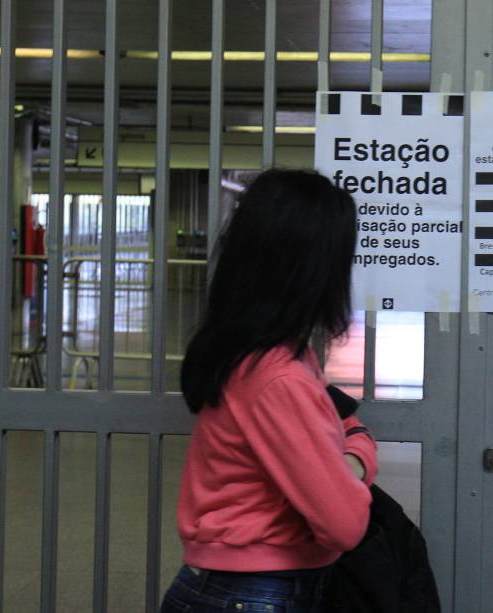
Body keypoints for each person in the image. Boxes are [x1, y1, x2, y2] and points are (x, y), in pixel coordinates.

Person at [160, 169, 378, 613]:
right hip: (253, 593)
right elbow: (344, 522)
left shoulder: (253, 350)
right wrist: (356, 457)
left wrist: (348, 448)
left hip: (236, 588)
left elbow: (343, 422)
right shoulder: (278, 377)